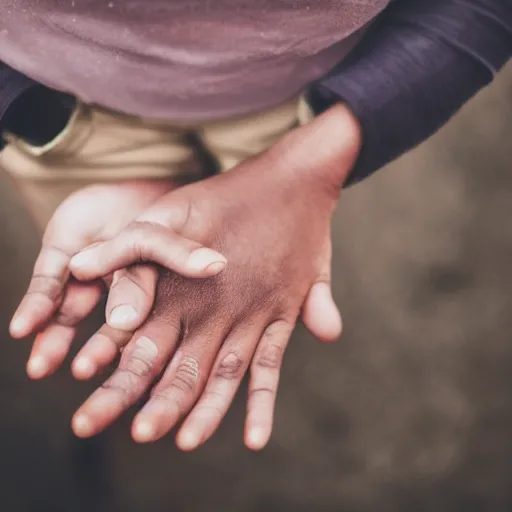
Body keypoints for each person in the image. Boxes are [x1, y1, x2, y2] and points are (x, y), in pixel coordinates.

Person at [3, 0, 511, 451]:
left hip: (303, 107)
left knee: (239, 277)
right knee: (124, 287)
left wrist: (311, 169)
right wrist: (34, 115)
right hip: (64, 111)